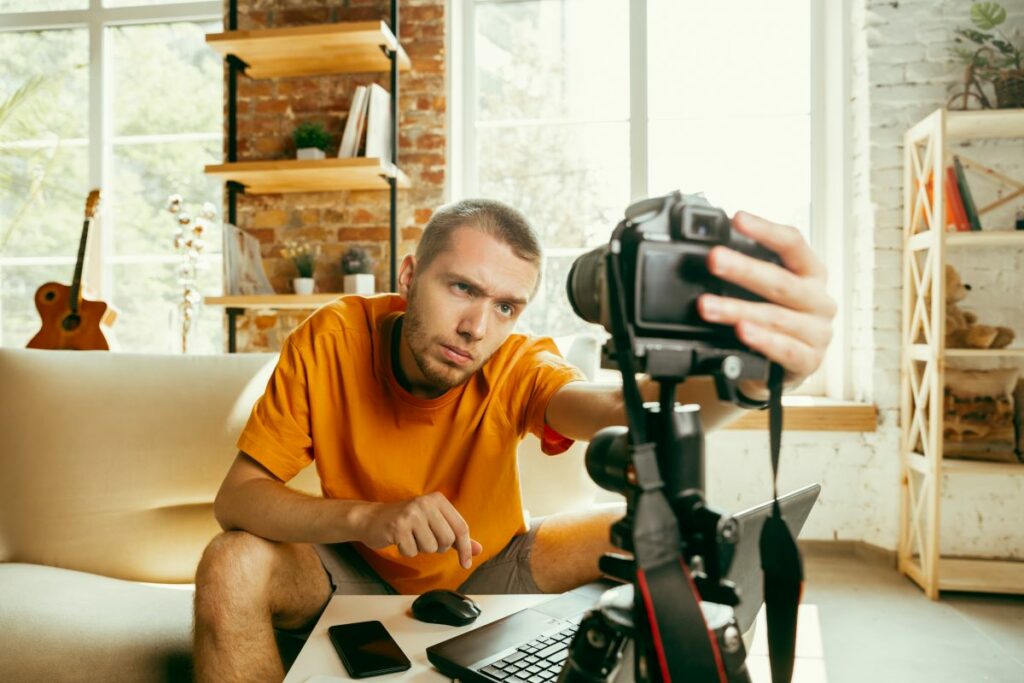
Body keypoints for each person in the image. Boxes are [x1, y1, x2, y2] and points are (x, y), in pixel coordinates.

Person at [193, 199, 836, 682]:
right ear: (410, 274)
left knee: (655, 530)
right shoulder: (332, 338)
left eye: (506, 306)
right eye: (462, 288)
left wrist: (762, 376)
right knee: (232, 561)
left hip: (495, 561)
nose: (477, 326)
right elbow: (239, 499)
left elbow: (617, 406)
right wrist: (370, 518)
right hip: (356, 564)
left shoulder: (515, 361)